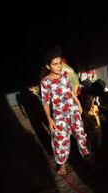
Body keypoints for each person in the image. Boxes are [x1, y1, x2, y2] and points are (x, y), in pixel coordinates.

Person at [40, 46, 92, 175]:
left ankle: (88, 159)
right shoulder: (45, 82)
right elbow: (45, 102)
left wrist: (78, 103)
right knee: (60, 140)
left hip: (73, 111)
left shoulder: (65, 75)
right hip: (59, 116)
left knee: (81, 135)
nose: (59, 67)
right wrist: (49, 119)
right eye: (55, 64)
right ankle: (62, 165)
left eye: (60, 63)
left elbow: (70, 91)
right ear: (48, 66)